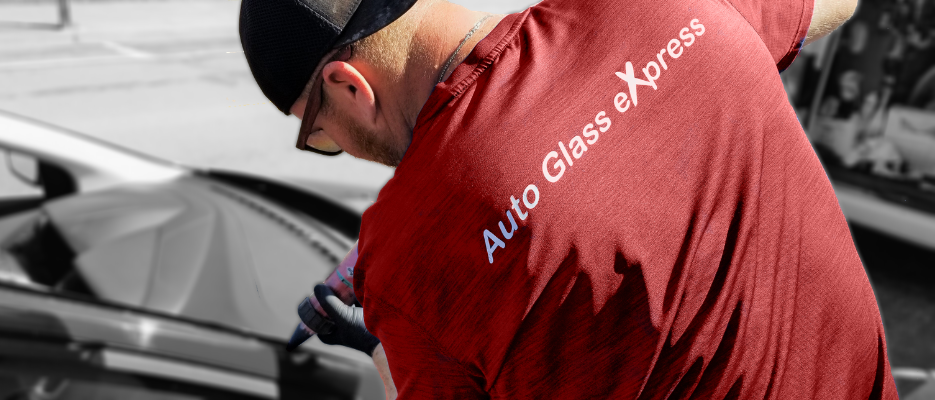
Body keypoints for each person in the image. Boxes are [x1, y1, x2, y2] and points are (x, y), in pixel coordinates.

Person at [238, 0, 898, 397]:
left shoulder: (409, 259)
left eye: (319, 133)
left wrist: (385, 340)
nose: (340, 148)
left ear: (349, 86)